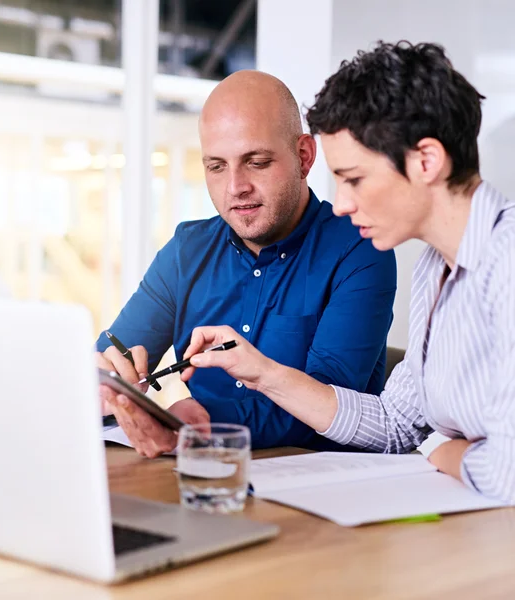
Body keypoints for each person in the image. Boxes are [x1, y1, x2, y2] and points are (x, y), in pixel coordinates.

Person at [181, 42, 515, 503]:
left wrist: (440, 448)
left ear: (426, 161)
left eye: (354, 178)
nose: (340, 204)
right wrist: (262, 373)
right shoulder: (436, 268)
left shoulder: (508, 262)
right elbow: (397, 424)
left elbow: (508, 471)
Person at [97, 70, 397, 458]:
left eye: (256, 162)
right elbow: (115, 358)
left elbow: (327, 403)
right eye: (216, 166)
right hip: (205, 477)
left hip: (321, 485)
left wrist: (202, 420)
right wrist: (102, 384)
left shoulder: (360, 248)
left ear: (303, 157)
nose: (235, 187)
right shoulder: (186, 251)